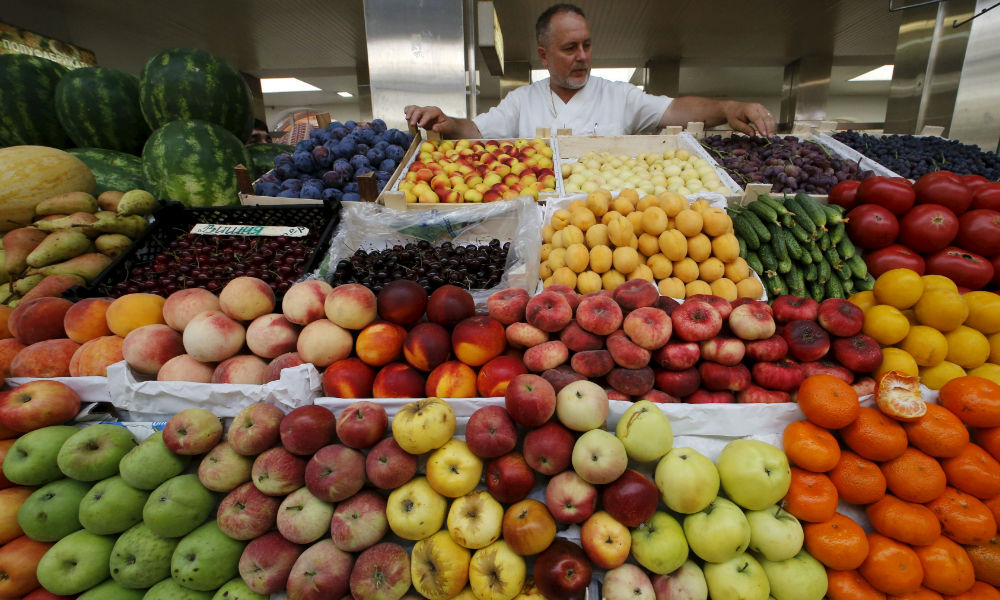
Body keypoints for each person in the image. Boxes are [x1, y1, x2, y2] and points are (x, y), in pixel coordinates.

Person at [405, 3, 776, 139]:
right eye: (569, 48)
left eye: (587, 45)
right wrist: (447, 121)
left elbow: (678, 109)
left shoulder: (619, 96)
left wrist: (728, 107)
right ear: (543, 55)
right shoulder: (521, 101)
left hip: (607, 236)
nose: (582, 56)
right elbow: (475, 130)